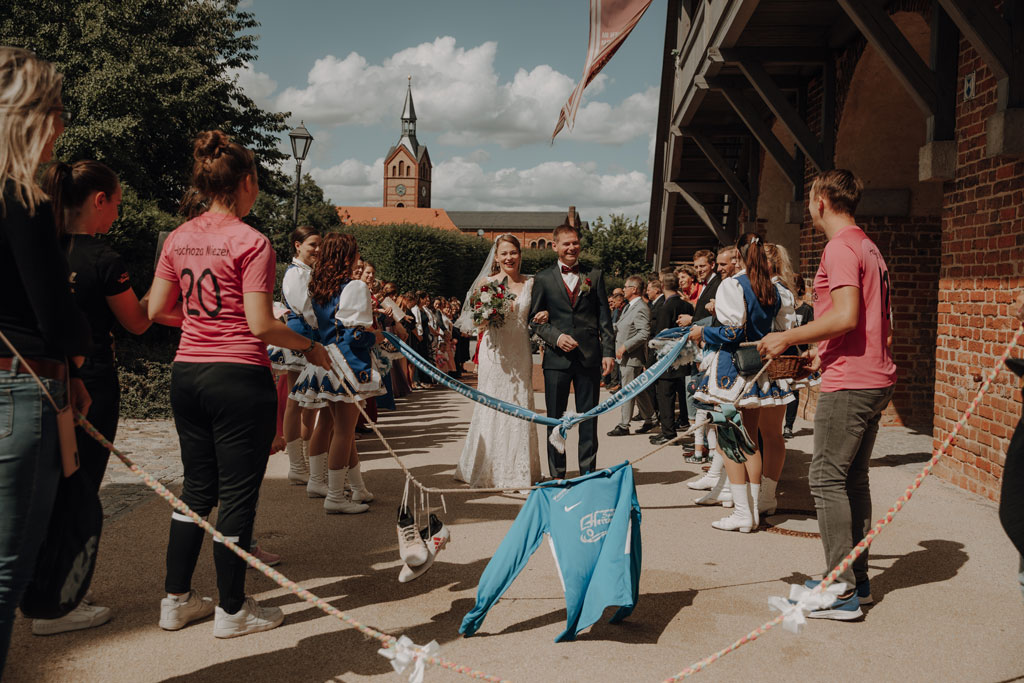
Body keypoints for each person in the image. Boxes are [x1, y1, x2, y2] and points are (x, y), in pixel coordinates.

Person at [149, 130, 330, 638]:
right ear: (247, 182)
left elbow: (155, 309)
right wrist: (306, 346)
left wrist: (200, 325)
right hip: (237, 374)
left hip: (188, 371)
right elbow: (260, 325)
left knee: (195, 490)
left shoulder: (178, 237)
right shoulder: (252, 242)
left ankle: (176, 599)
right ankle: (232, 609)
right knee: (237, 495)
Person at [30, 160, 175, 636]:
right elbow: (137, 320)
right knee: (79, 486)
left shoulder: (40, 247)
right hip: (88, 379)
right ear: (98, 201)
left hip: (37, 376)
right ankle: (61, 601)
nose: (116, 214)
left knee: (44, 487)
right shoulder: (103, 259)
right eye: (115, 204)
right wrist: (163, 280)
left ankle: (39, 589)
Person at [759, 169, 896, 620]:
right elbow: (862, 318)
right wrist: (823, 351)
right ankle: (856, 583)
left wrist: (789, 338)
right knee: (852, 479)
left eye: (808, 199)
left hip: (853, 382)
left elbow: (846, 316)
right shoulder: (867, 245)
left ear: (820, 199)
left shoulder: (839, 248)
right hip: (873, 375)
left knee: (825, 479)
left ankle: (840, 589)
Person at [0, 48, 93, 672]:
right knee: (7, 571)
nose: (61, 127)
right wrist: (78, 362)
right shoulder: (21, 193)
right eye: (56, 111)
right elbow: (50, 312)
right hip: (21, 386)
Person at [689, 233, 795, 534]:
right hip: (759, 366)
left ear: (741, 256)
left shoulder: (734, 285)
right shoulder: (773, 288)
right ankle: (752, 507)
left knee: (732, 439)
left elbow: (732, 332)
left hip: (732, 369)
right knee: (750, 439)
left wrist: (704, 334)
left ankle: (742, 513)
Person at [291, 233, 386, 513]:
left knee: (333, 426)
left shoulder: (319, 286)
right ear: (347, 256)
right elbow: (356, 335)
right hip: (347, 363)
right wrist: (377, 337)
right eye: (355, 253)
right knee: (344, 432)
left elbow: (314, 324)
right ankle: (335, 496)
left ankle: (351, 487)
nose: (358, 258)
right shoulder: (354, 286)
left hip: (326, 358)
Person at [529, 224, 615, 478]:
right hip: (556, 360)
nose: (572, 247)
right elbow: (534, 320)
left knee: (589, 420)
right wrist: (556, 337)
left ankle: (587, 473)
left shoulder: (595, 276)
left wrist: (608, 352)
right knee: (555, 421)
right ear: (555, 246)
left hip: (589, 357)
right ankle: (558, 474)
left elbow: (604, 319)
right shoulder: (543, 278)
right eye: (566, 243)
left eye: (575, 243)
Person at [455, 234, 541, 488]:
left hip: (520, 350)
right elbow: (474, 322)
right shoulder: (486, 283)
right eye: (504, 253)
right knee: (491, 404)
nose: (509, 257)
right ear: (496, 257)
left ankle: (520, 469)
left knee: (519, 401)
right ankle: (487, 466)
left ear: (520, 254)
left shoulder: (532, 284)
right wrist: (488, 314)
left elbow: (537, 315)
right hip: (494, 353)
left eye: (513, 252)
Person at [267, 225, 325, 487]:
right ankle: (296, 464)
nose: (317, 249)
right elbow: (305, 308)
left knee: (307, 400)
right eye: (312, 244)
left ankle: (303, 459)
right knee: (296, 400)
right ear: (297, 245)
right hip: (300, 338)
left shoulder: (308, 272)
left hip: (308, 337)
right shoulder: (295, 274)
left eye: (318, 245)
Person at [649, 273, 694, 445]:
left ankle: (668, 432)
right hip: (685, 356)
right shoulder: (687, 306)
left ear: (662, 286)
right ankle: (681, 422)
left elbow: (660, 337)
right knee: (681, 394)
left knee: (665, 396)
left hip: (667, 358)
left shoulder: (664, 308)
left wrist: (652, 363)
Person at [607, 276, 653, 437]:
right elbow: (623, 326)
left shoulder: (640, 307)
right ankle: (650, 418)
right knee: (637, 389)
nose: (623, 289)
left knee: (628, 390)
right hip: (626, 357)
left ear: (634, 289)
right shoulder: (629, 307)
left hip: (632, 357)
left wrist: (626, 346)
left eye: (626, 286)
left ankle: (624, 425)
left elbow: (644, 333)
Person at [784, 274, 814, 439]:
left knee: (794, 391)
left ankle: (788, 426)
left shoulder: (807, 310)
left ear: (798, 288)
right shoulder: (782, 307)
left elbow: (812, 333)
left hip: (798, 354)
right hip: (782, 355)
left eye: (791, 286)